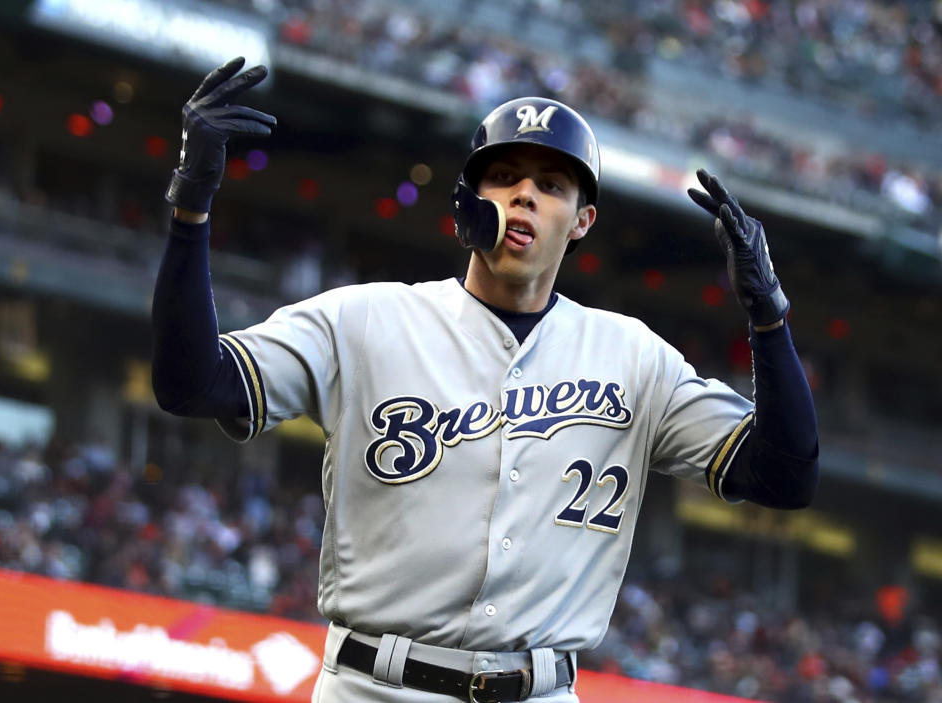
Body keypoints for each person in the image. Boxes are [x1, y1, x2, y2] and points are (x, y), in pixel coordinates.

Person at [152, 58, 819, 703]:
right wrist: (191, 206)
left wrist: (770, 319)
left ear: (582, 221)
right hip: (376, 686)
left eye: (551, 185)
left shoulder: (634, 358)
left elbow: (783, 477)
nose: (524, 193)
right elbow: (193, 383)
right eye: (503, 176)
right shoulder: (362, 320)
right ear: (469, 203)